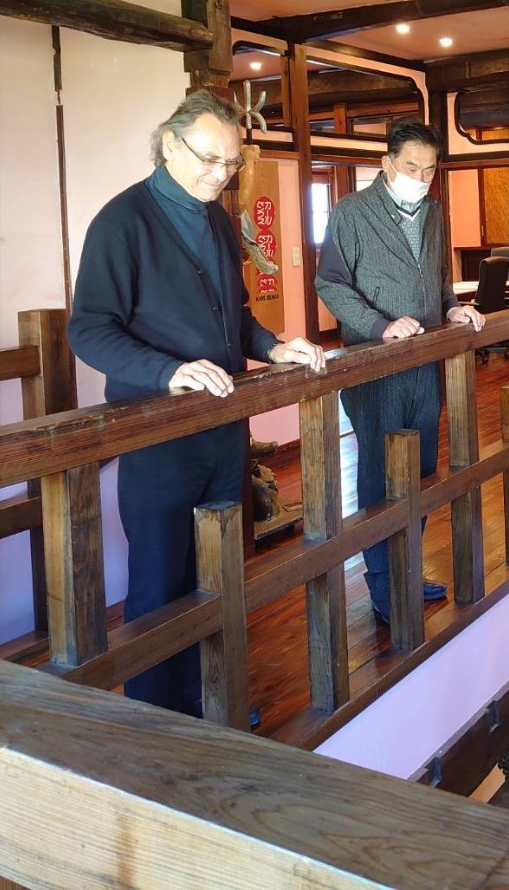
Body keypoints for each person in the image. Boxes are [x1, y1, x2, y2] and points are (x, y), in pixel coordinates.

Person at [68, 89, 325, 714]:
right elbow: (90, 330)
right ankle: (158, 722)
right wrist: (169, 371)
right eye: (209, 159)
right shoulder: (122, 221)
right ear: (168, 144)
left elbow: (235, 315)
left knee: (220, 574)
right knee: (161, 584)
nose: (220, 174)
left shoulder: (217, 219)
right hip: (157, 434)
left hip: (223, 428)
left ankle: (214, 700)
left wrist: (274, 347)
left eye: (230, 163)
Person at [315, 120, 484, 625]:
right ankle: (383, 585)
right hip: (376, 367)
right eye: (412, 167)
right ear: (387, 164)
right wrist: (378, 325)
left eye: (430, 169)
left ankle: (406, 569)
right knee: (379, 476)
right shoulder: (352, 212)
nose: (421, 177)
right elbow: (331, 283)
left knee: (422, 471)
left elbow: (438, 276)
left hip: (425, 363)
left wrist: (452, 307)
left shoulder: (432, 211)